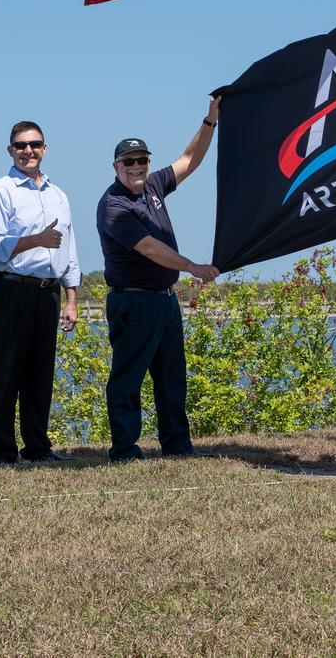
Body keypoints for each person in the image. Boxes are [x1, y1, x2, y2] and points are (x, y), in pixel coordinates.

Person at [96, 98, 222, 462]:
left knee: (172, 378)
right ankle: (125, 449)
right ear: (116, 166)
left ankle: (178, 445)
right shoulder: (114, 206)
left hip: (164, 300)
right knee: (128, 378)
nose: (137, 167)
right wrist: (193, 267)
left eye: (142, 160)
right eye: (129, 162)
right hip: (132, 301)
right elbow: (149, 248)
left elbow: (189, 160)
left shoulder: (153, 186)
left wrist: (210, 121)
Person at [0, 121, 81, 466]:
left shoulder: (59, 195)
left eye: (34, 145)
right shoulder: (0, 192)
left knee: (40, 373)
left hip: (47, 293)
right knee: (7, 372)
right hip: (12, 290)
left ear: (45, 148)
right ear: (10, 150)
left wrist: (70, 300)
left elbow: (70, 251)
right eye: (20, 146)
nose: (28, 152)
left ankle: (37, 446)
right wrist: (35, 240)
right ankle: (4, 451)